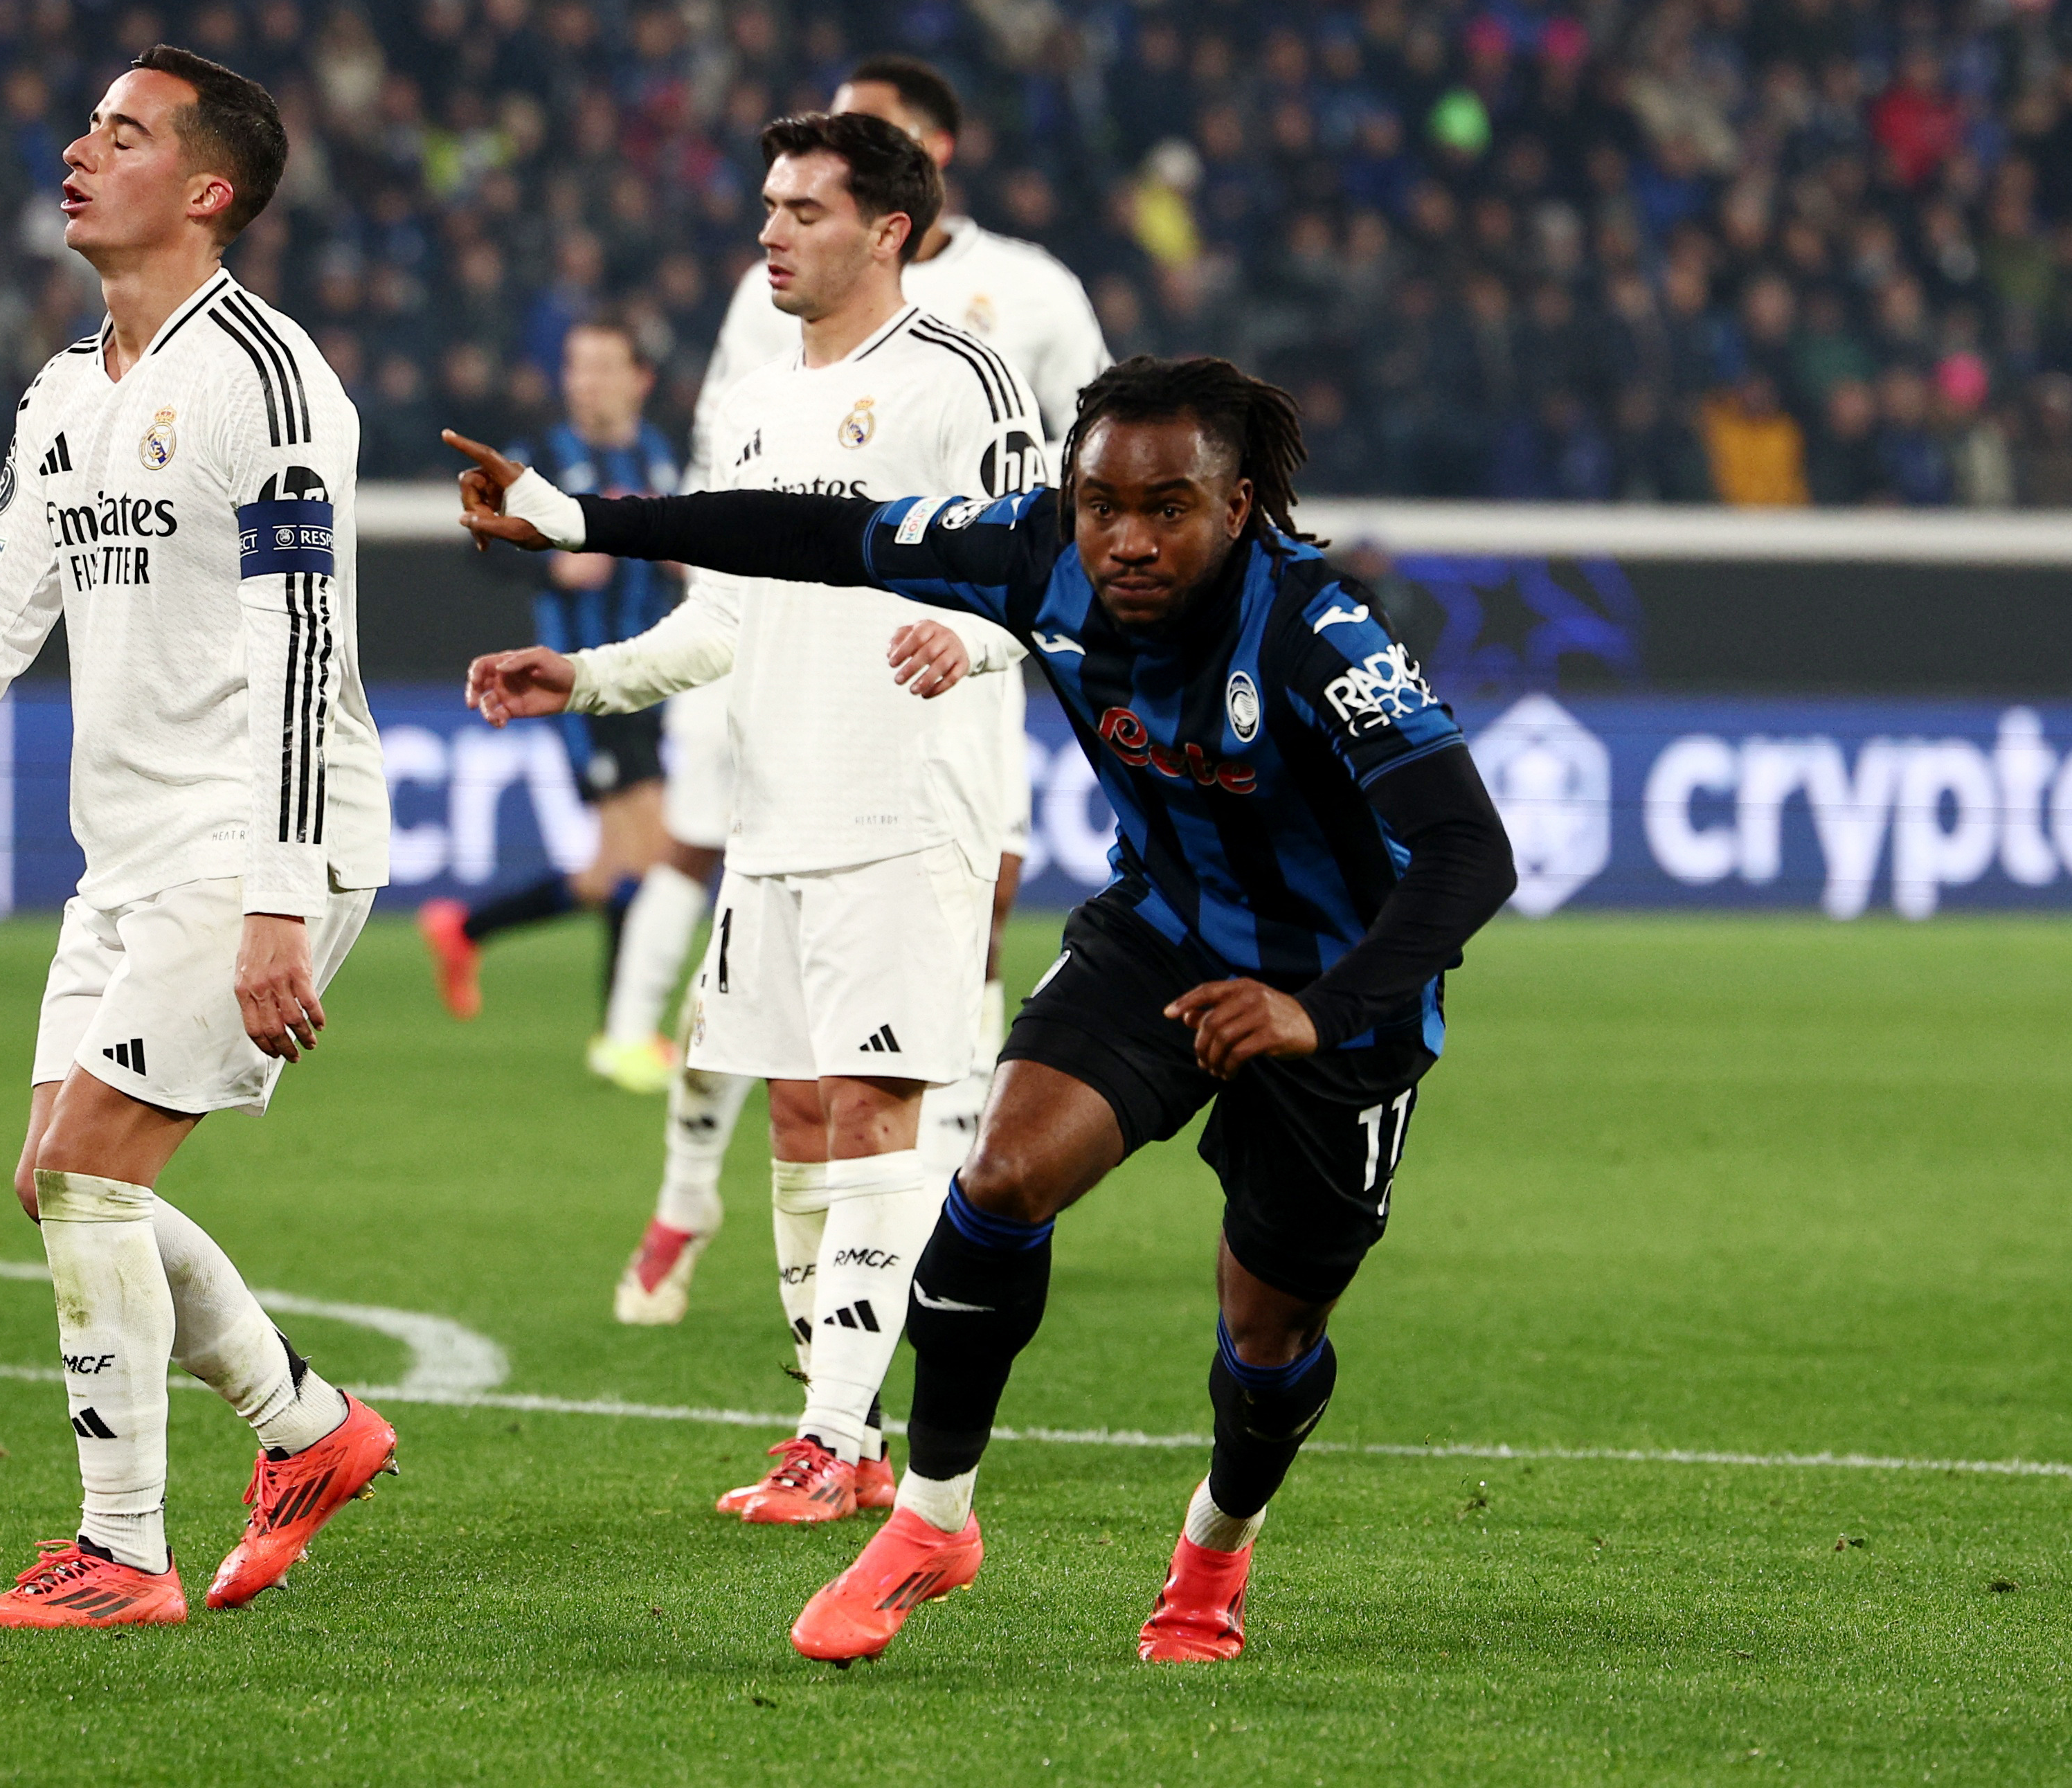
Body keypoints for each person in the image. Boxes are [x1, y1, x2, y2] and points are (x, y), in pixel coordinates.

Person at [444, 351, 1517, 1664]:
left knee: (1269, 1330)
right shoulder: (1032, 552)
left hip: (1341, 1002)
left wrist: (1320, 1008)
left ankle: (1214, 1548)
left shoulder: (1316, 627)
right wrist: (577, 516)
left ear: (1236, 508)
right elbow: (817, 532)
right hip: (1164, 940)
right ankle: (933, 1519)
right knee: (997, 1174)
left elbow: (1470, 850)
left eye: (1167, 506)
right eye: (1100, 502)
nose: (1125, 537)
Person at [0, 46, 397, 1629]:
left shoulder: (268, 382)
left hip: (257, 838)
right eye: (83, 124)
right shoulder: (69, 387)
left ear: (206, 190)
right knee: (57, 1182)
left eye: (122, 132)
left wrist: (281, 900)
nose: (79, 151)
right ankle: (305, 1428)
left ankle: (123, 1555)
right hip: (133, 852)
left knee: (88, 1176)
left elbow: (304, 649)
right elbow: (6, 585)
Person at [460, 111, 1039, 1522]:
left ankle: (842, 1441)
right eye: (767, 208)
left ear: (886, 230)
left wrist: (965, 644)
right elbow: (723, 611)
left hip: (906, 806)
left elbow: (1048, 580)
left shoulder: (962, 379)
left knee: (878, 1100)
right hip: (774, 811)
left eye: (802, 211)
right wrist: (588, 675)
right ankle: (826, 1429)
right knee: (795, 1109)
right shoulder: (757, 403)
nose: (769, 233)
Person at [607, 52, 1113, 1327]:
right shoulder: (768, 329)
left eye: (820, 187)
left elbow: (1087, 461)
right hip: (775, 668)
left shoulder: (1021, 304)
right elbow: (732, 449)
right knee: (755, 1006)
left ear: (920, 172)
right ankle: (690, 1204)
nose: (777, 224)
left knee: (931, 992)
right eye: (773, 201)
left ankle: (928, 1235)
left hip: (931, 708)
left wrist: (991, 623)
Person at [415, 317, 683, 1096]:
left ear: (640, 378)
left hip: (650, 675)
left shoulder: (659, 454)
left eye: (603, 365)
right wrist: (549, 575)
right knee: (655, 858)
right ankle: (621, 1035)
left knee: (609, 872)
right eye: (576, 365)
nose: (586, 380)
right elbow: (482, 544)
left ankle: (465, 929)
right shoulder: (541, 460)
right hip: (582, 685)